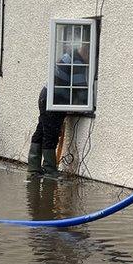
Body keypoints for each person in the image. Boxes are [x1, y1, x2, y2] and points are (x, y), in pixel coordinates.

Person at [28, 43, 90, 176]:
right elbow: (81, 87)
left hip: (46, 96)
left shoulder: (68, 56)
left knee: (41, 131)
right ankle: (50, 170)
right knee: (51, 134)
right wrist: (88, 105)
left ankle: (33, 169)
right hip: (54, 100)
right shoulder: (77, 61)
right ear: (86, 51)